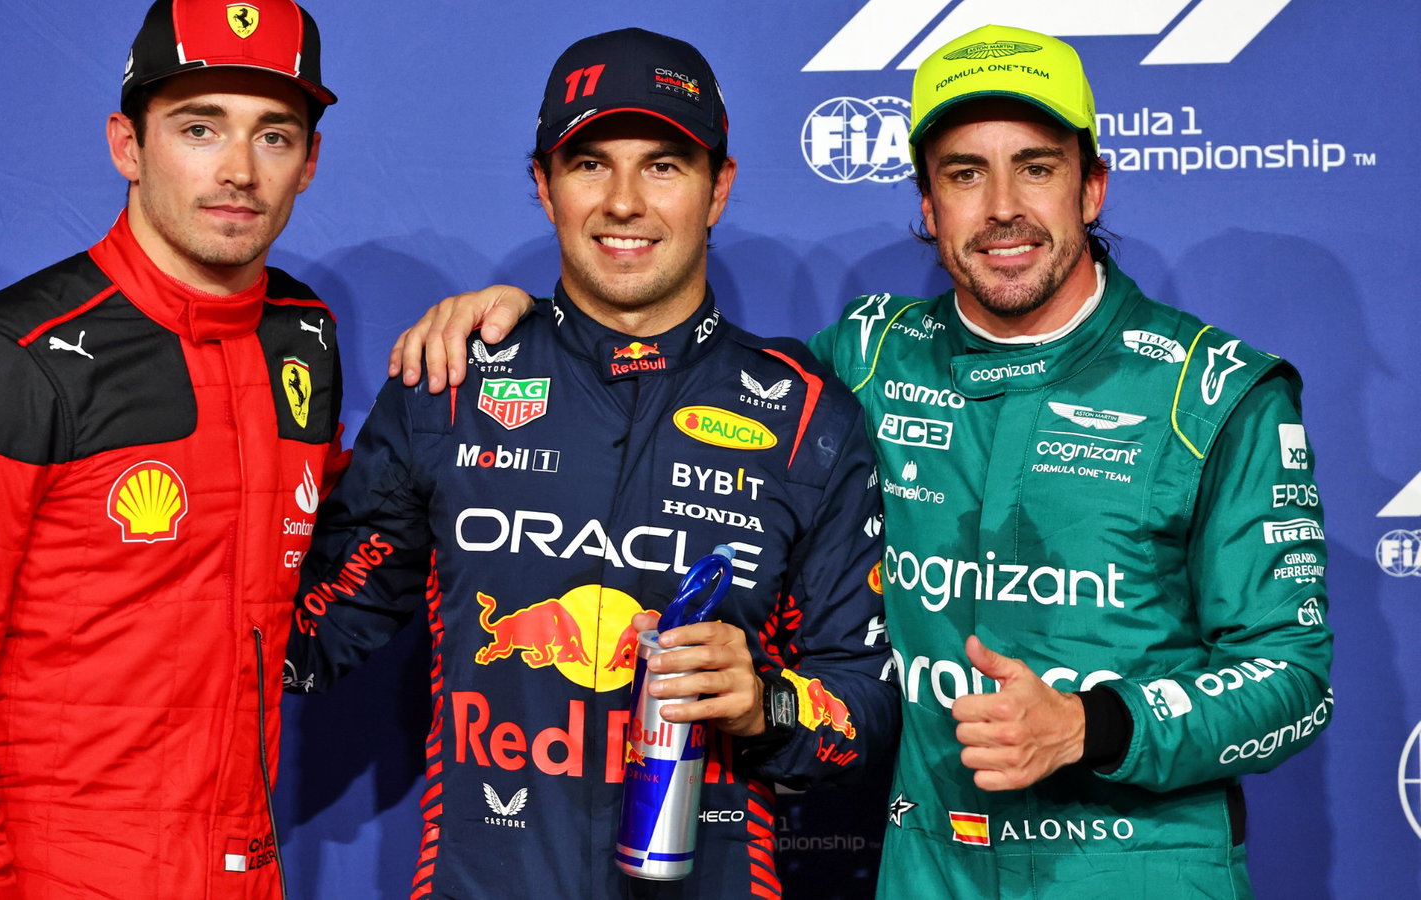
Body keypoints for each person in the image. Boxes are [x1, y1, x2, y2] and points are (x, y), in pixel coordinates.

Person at [389, 23, 1333, 899]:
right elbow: (681, 367)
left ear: (1091, 186)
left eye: (1036, 168)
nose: (1003, 209)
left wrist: (1096, 725)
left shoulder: (1217, 391)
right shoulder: (866, 360)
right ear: (927, 203)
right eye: (965, 174)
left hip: (1136, 872)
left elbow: (1296, 681)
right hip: (921, 870)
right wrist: (532, 323)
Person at [288, 27, 897, 900]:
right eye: (588, 165)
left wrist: (768, 704)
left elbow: (866, 709)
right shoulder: (449, 379)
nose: (623, 202)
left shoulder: (807, 418)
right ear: (543, 187)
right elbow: (304, 627)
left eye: (663, 165)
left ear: (717, 189)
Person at [0, 1, 343, 895]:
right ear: (128, 145)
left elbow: (321, 532)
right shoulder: (1, 360)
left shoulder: (303, 334)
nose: (238, 170)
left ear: (309, 163)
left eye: (274, 136)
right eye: (200, 127)